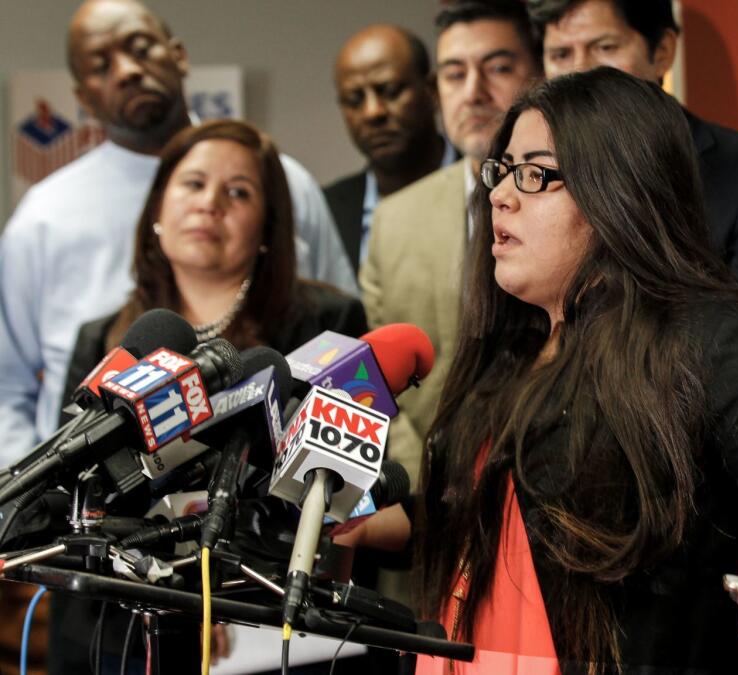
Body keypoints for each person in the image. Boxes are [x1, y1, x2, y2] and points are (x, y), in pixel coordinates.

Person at [414, 67, 738, 674]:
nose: (501, 194)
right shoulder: (511, 346)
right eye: (500, 171)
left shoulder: (717, 343)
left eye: (534, 174)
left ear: (620, 191)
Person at [49, 119, 368, 675]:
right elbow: (77, 493)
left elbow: (340, 493)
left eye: (237, 191)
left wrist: (218, 600)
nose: (210, 204)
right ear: (157, 213)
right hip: (118, 623)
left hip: (265, 620)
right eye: (192, 184)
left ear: (268, 227)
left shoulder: (326, 324)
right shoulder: (107, 340)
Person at [0, 0, 356, 464]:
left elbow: (350, 354)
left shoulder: (286, 182)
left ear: (179, 55)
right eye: (101, 65)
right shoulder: (44, 216)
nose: (127, 70)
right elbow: (8, 385)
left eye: (140, 46)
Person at [530, 0, 738, 336]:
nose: (579, 72)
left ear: (663, 51)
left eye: (604, 47)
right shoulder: (531, 181)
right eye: (561, 54)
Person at [361, 0, 541, 485]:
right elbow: (379, 384)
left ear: (541, 72)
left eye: (499, 68)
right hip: (422, 516)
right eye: (453, 73)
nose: (474, 92)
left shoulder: (581, 211)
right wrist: (427, 494)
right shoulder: (393, 219)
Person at [325, 24, 456, 273]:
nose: (373, 112)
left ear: (432, 91)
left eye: (390, 91)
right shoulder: (327, 210)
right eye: (355, 100)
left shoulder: (491, 188)